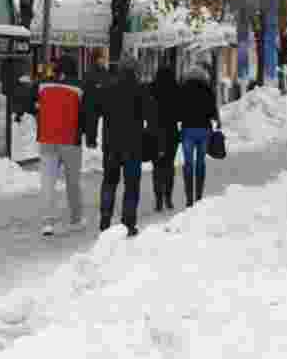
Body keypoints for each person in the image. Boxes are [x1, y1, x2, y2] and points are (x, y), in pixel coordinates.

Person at [87, 56, 155, 236]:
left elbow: (94, 111)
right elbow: (152, 117)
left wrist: (92, 136)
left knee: (109, 183)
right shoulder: (141, 90)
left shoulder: (108, 89)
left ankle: (105, 221)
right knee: (131, 186)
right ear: (136, 70)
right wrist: (151, 137)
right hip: (133, 146)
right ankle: (128, 223)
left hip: (111, 146)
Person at [33, 54, 94, 236]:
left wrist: (40, 116)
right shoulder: (80, 87)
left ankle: (47, 222)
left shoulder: (43, 85)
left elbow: (32, 103)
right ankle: (75, 219)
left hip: (47, 138)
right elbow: (87, 113)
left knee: (47, 182)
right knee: (72, 181)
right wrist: (88, 135)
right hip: (70, 139)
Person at [178, 64, 221, 207]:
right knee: (201, 163)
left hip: (188, 130)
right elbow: (213, 111)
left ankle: (189, 198)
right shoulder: (208, 90)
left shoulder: (183, 90)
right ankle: (199, 196)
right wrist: (216, 120)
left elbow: (179, 111)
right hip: (204, 130)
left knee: (188, 163)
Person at [149, 65, 180, 212]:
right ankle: (168, 197)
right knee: (168, 165)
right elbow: (181, 114)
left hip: (154, 133)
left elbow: (146, 110)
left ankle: (158, 199)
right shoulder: (176, 90)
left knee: (157, 167)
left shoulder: (151, 89)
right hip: (171, 133)